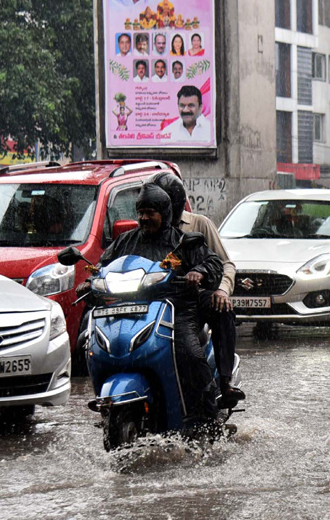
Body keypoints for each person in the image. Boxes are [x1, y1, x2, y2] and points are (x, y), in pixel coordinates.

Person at [77, 183, 223, 432]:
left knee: (190, 354)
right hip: (130, 310)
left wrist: (198, 272)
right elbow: (103, 266)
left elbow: (214, 262)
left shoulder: (181, 241)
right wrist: (90, 282)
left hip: (176, 310)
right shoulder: (125, 241)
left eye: (150, 212)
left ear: (164, 213)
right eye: (141, 212)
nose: (144, 218)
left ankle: (208, 421)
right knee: (88, 345)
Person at [151, 171, 245, 409]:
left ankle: (224, 383)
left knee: (221, 311)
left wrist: (222, 290)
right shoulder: (143, 232)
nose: (148, 215)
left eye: (157, 207)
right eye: (146, 210)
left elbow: (224, 264)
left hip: (194, 302)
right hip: (155, 304)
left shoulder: (199, 225)